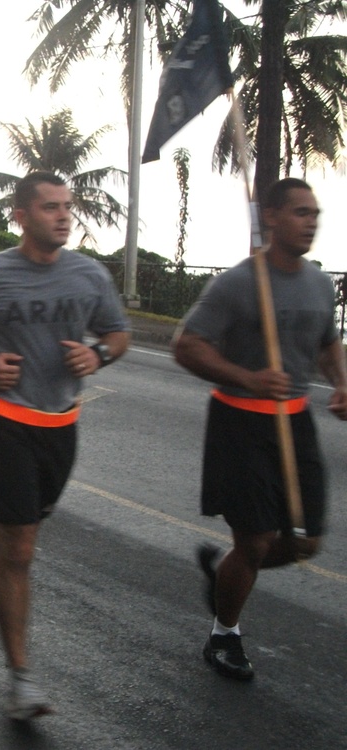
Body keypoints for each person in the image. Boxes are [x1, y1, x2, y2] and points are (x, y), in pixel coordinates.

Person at [0, 172, 130, 720]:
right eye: (49, 208)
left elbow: (118, 333)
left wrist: (99, 357)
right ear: (20, 215)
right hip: (3, 420)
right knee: (21, 547)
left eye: (67, 207)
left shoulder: (89, 275)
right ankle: (23, 680)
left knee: (15, 532)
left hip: (61, 425)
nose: (63, 216)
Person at [173, 178, 347, 682]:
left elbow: (326, 342)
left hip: (294, 421)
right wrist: (249, 377)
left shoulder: (317, 281)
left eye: (314, 213)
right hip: (240, 421)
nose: (310, 221)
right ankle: (224, 634)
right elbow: (188, 345)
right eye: (299, 212)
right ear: (270, 218)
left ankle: (225, 573)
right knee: (255, 541)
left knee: (306, 542)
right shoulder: (239, 282)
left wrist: (340, 383)